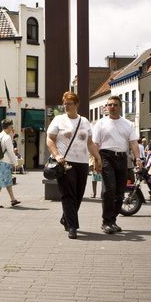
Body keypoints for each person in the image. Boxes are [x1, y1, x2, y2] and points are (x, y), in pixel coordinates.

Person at [47, 92, 102, 238]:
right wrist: (57, 155)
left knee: (78, 194)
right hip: (65, 162)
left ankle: (66, 217)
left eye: (69, 103)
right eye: (64, 103)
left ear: (76, 105)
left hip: (82, 162)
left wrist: (97, 157)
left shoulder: (84, 121)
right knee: (68, 194)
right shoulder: (58, 120)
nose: (66, 106)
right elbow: (50, 139)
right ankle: (72, 226)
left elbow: (89, 143)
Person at [91, 95, 141, 235]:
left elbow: (133, 143)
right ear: (106, 107)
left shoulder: (127, 124)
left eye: (115, 105)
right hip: (106, 156)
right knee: (109, 189)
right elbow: (95, 144)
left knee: (120, 192)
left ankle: (113, 220)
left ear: (120, 107)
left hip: (122, 158)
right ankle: (106, 221)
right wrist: (96, 160)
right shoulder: (100, 123)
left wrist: (138, 158)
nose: (112, 107)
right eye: (110, 105)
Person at [0, 119, 21, 208]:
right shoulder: (7, 137)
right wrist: (16, 163)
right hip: (5, 162)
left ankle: (13, 199)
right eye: (11, 127)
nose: (12, 128)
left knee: (8, 181)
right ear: (8, 127)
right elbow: (10, 152)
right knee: (0, 181)